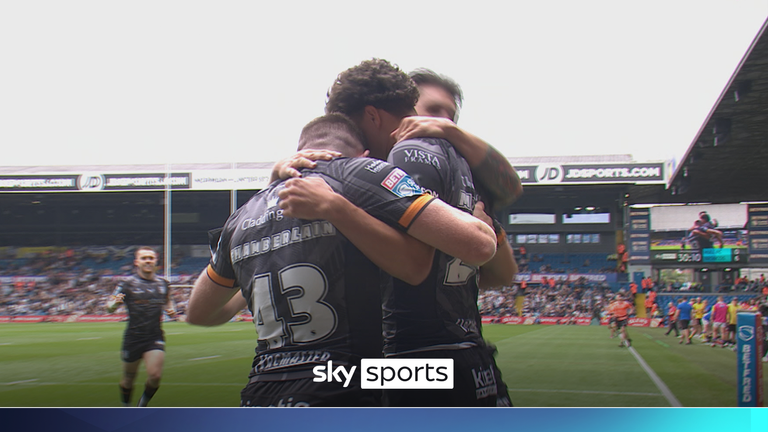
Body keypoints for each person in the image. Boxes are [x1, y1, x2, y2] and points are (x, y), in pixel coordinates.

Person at [186, 114, 498, 407]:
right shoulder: (359, 173)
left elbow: (199, 313)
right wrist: (480, 219)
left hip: (260, 395)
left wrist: (259, 266)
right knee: (439, 377)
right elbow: (477, 247)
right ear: (363, 154)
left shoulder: (242, 215)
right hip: (341, 388)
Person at [324, 60, 518, 406]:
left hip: (412, 356)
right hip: (471, 359)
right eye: (432, 109)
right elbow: (501, 272)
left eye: (450, 116)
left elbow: (419, 266)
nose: (440, 121)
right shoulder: (458, 177)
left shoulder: (413, 164)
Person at [106, 246, 175, 407]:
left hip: (154, 336)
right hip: (133, 337)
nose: (148, 261)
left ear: (156, 261)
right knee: (128, 379)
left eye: (151, 258)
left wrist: (171, 309)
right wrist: (114, 304)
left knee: (155, 376)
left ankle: (142, 405)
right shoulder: (127, 283)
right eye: (144, 258)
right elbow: (108, 306)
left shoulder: (163, 283)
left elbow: (167, 300)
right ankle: (126, 407)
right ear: (137, 262)